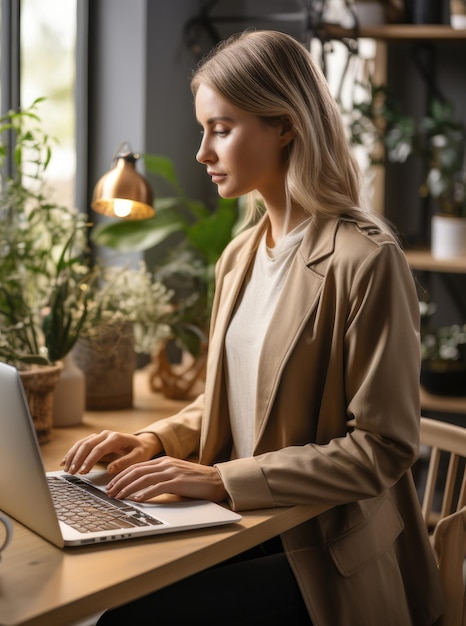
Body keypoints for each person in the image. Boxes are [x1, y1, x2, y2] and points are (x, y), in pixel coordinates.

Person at [62, 30, 444, 626]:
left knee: (126, 617)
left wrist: (220, 479)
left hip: (317, 549)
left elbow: (384, 448)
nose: (201, 153)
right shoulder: (239, 255)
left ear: (285, 125)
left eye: (221, 128)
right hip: (245, 525)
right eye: (203, 129)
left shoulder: (366, 259)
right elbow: (235, 399)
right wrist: (156, 442)